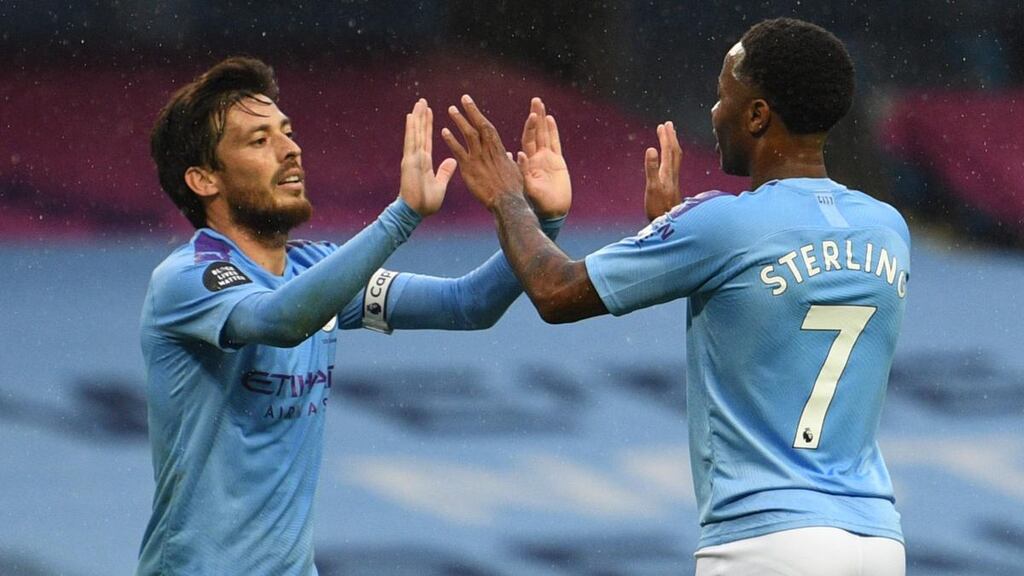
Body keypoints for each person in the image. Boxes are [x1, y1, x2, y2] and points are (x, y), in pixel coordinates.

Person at [442, 18, 908, 576]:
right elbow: (782, 307)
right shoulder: (888, 228)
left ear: (758, 116)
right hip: (877, 541)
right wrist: (675, 232)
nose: (714, 114)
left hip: (767, 540)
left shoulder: (720, 225)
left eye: (722, 97)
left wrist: (507, 199)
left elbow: (555, 291)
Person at [137, 57, 570, 575]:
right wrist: (402, 216)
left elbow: (468, 305)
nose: (290, 148)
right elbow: (278, 320)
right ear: (204, 179)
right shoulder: (189, 276)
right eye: (258, 141)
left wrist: (541, 220)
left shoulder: (315, 269)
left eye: (288, 132)